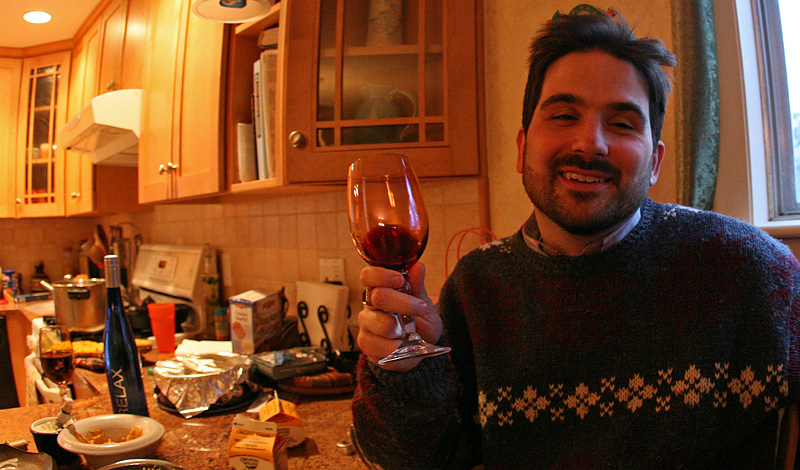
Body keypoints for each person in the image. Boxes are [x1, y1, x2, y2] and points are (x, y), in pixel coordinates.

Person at [350, 5, 800, 470]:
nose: (591, 143)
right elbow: (420, 460)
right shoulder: (476, 288)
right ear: (523, 148)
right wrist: (404, 372)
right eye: (564, 116)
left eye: (622, 123)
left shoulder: (751, 268)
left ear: (655, 162)